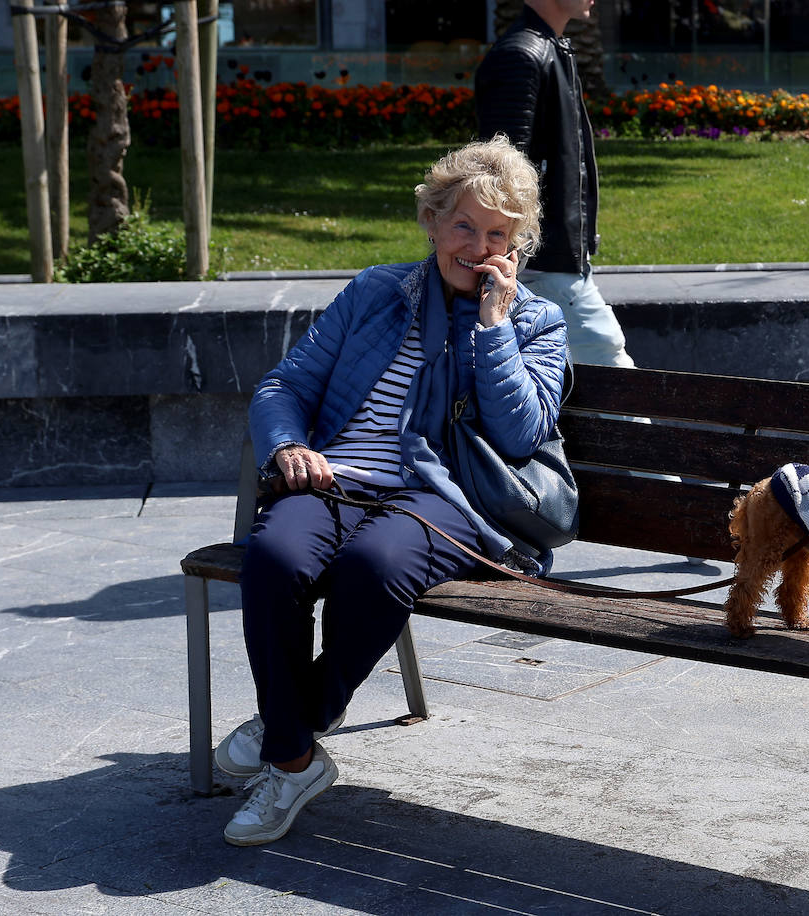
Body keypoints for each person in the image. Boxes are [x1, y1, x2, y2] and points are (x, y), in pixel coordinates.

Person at [215, 136, 568, 847]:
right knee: (274, 556)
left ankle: (290, 730)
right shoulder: (377, 292)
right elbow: (285, 385)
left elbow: (522, 433)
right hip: (336, 477)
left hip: (444, 496)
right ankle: (296, 756)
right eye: (463, 225)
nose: (477, 245)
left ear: (517, 242)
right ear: (433, 222)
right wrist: (289, 446)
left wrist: (493, 330)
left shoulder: (535, 321)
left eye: (496, 232)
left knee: (372, 567)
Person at [475, 0, 634, 368]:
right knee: (610, 364)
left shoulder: (548, 48)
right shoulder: (523, 54)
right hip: (541, 265)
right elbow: (498, 175)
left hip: (548, 261)